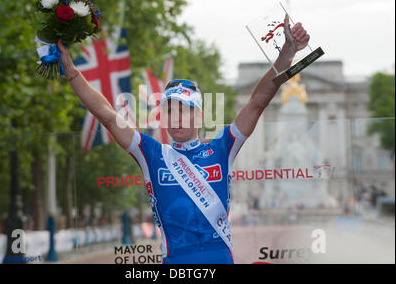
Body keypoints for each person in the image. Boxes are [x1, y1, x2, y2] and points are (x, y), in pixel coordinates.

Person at [57, 14, 310, 264]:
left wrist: (286, 55)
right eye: (169, 110)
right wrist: (71, 72)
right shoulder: (152, 154)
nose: (176, 117)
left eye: (184, 109)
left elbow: (257, 103)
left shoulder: (222, 147)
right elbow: (108, 116)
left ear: (199, 115)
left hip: (220, 257)